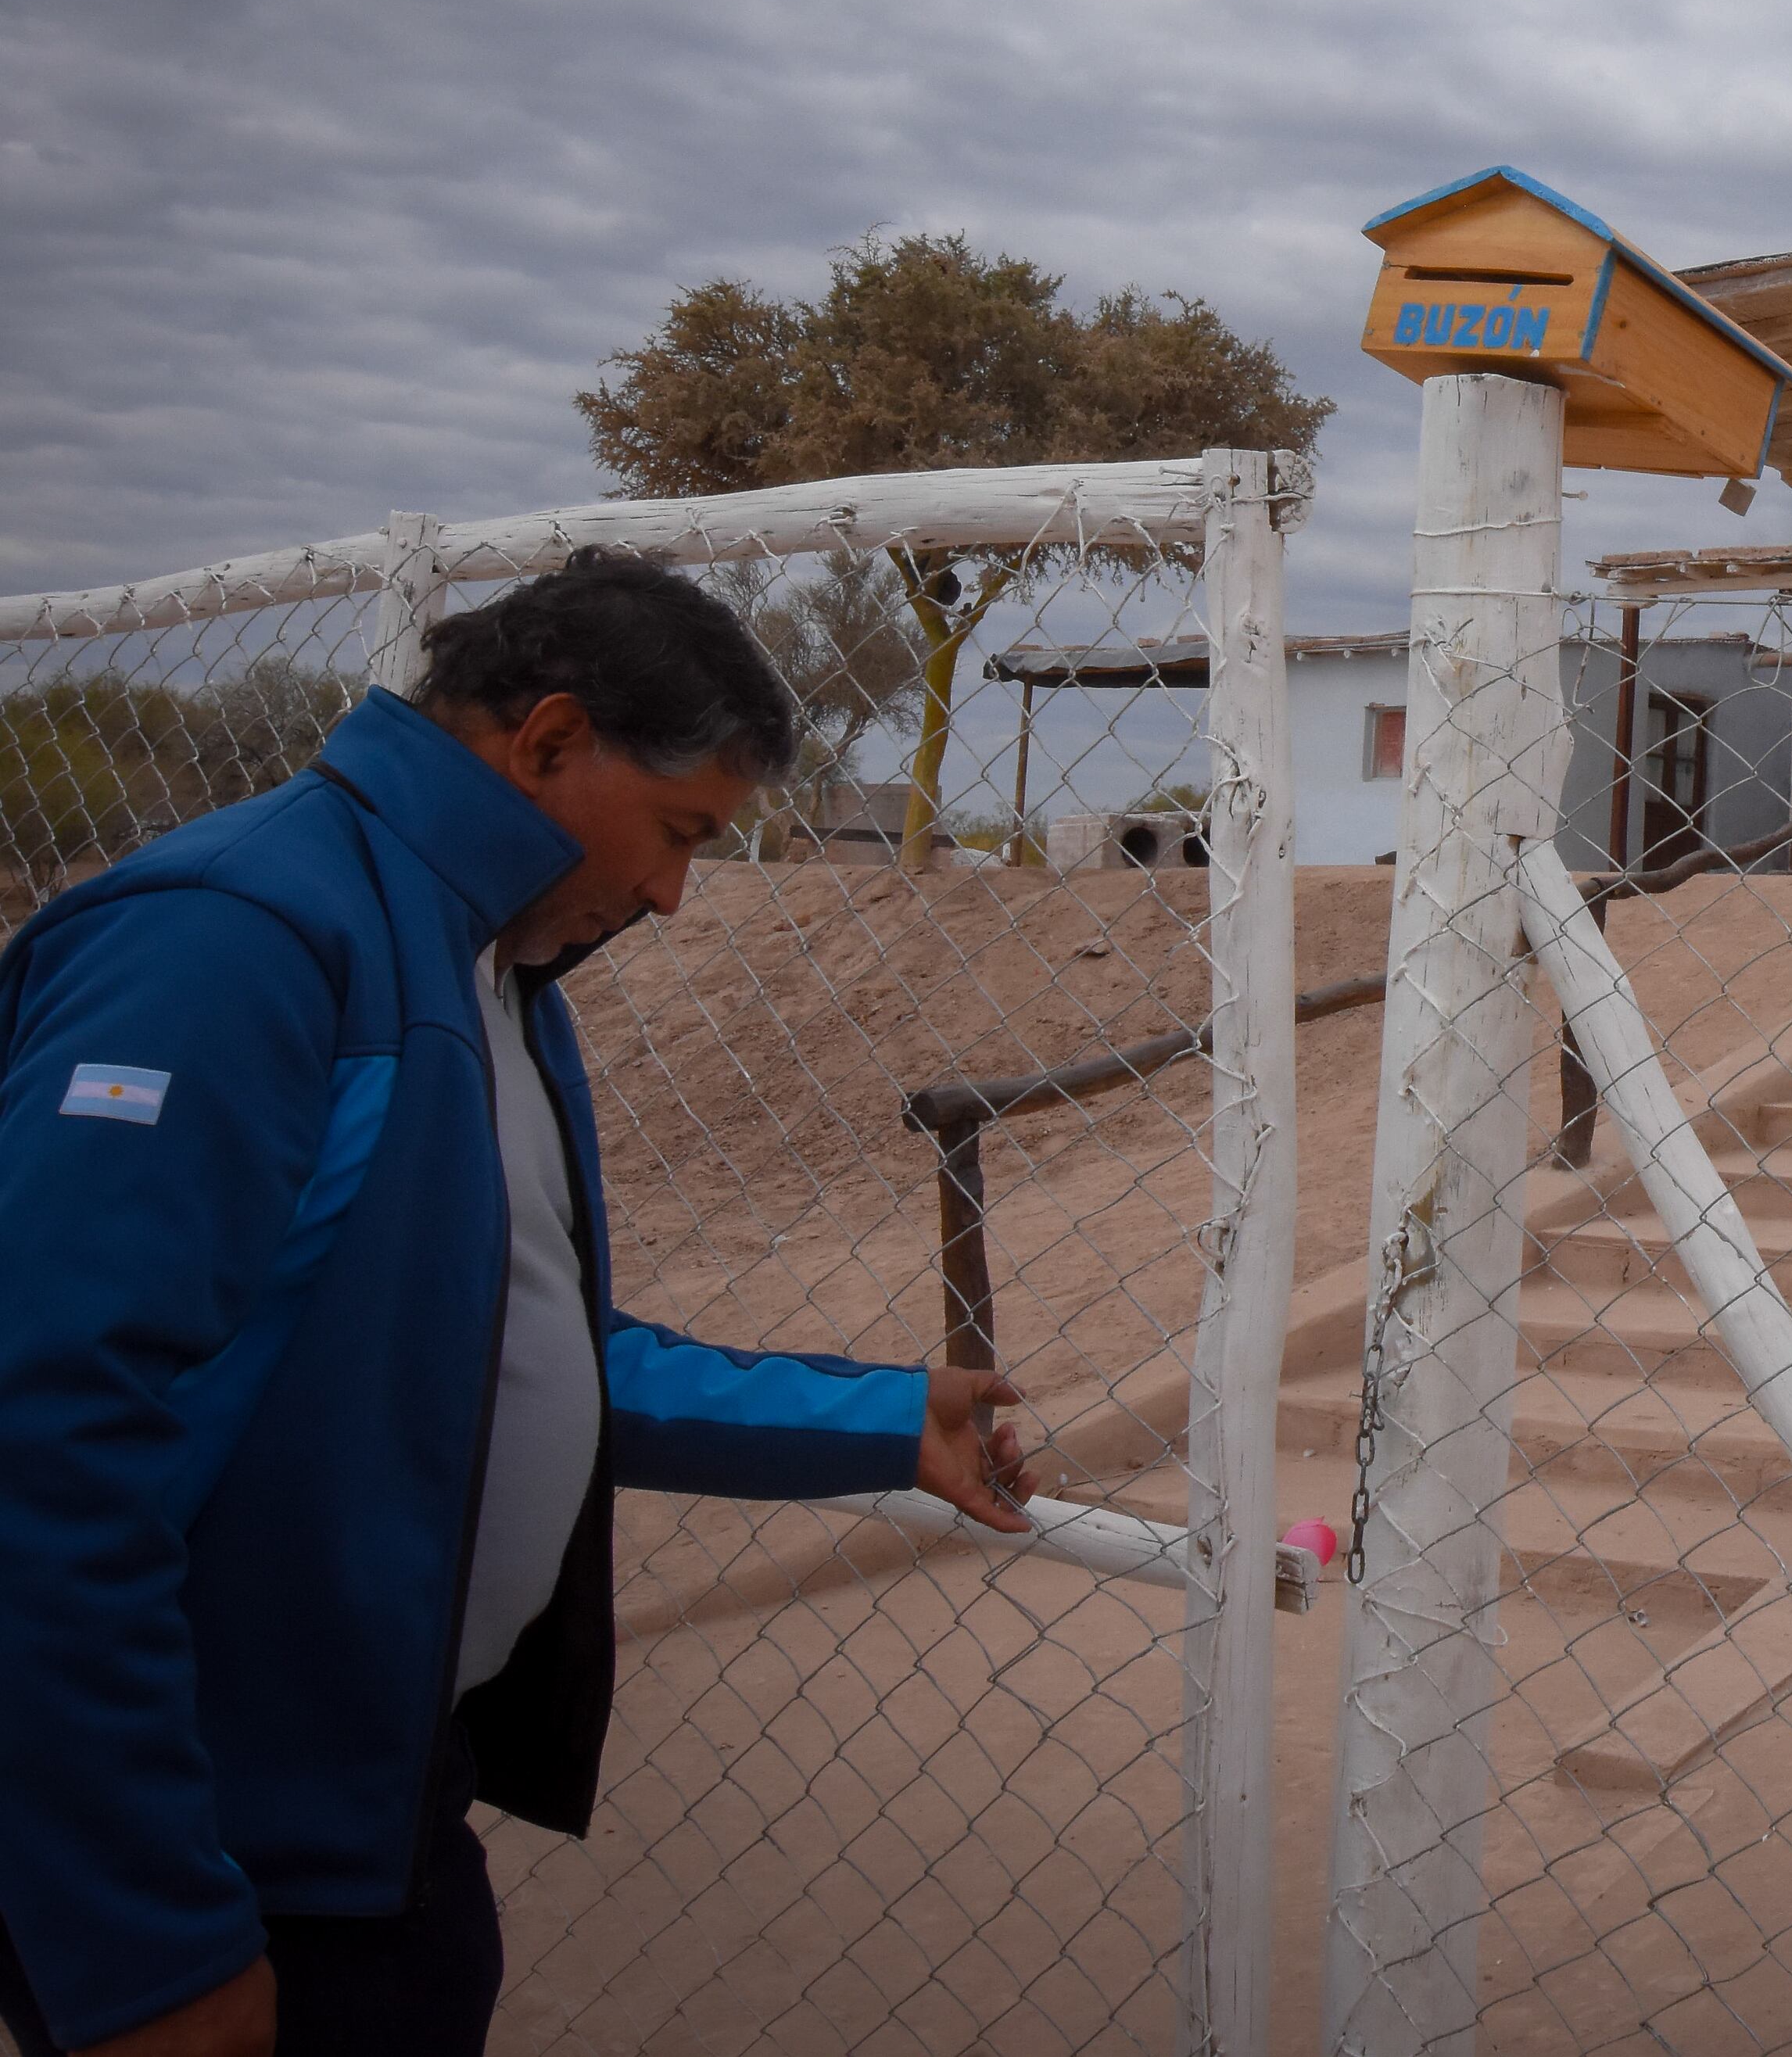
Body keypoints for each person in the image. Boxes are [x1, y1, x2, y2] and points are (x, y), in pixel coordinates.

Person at [0, 552, 1030, 2056]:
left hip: (366, 1815)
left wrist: (877, 1417)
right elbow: (40, 1445)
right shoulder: (237, 941)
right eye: (678, 833)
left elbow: (493, 1346)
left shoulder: (474, 967)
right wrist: (146, 1941)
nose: (676, 896)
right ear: (546, 741)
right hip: (218, 1847)